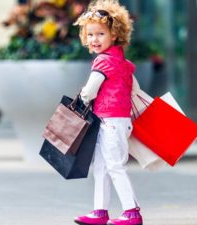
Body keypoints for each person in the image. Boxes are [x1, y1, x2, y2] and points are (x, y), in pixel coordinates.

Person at [73, 0, 142, 225]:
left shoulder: (102, 62)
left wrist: (83, 96)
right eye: (90, 34)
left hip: (110, 121)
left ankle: (131, 211)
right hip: (118, 121)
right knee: (102, 166)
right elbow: (134, 90)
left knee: (113, 166)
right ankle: (99, 211)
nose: (94, 39)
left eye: (100, 33)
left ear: (115, 34)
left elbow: (90, 91)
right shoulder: (124, 63)